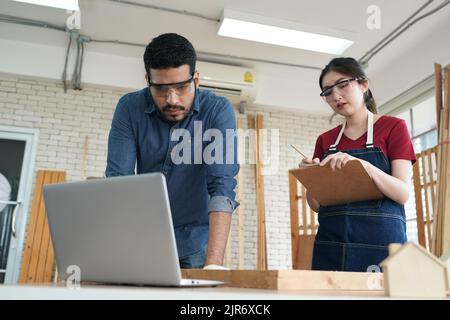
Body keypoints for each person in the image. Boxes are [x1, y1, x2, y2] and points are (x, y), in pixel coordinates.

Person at [106, 33, 239, 269]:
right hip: (144, 237)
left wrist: (214, 264)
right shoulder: (129, 108)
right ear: (148, 79)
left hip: (195, 241)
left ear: (196, 79)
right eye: (160, 89)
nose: (172, 100)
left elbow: (222, 184)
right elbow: (119, 182)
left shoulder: (217, 110)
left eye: (181, 87)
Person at [299, 57, 416, 272]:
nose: (336, 96)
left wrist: (364, 166)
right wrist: (312, 178)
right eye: (327, 92)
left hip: (383, 246)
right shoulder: (325, 140)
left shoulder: (393, 127)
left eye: (343, 85)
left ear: (364, 85)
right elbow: (316, 205)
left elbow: (402, 193)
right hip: (332, 245)